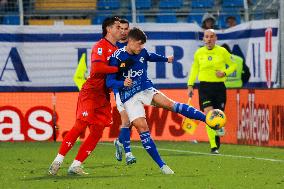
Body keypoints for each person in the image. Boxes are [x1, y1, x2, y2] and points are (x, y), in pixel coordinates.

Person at [106, 27, 215, 174]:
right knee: (142, 127)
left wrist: (166, 59)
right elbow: (109, 82)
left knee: (170, 104)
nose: (141, 48)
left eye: (142, 45)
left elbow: (150, 55)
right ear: (130, 42)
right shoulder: (117, 57)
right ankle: (162, 166)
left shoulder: (142, 52)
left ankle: (207, 119)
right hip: (129, 97)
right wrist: (121, 83)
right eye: (139, 44)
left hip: (144, 87)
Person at [48, 16, 130, 175]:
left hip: (104, 95)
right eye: (118, 27)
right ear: (109, 29)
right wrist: (119, 69)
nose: (121, 30)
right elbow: (98, 67)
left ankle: (76, 165)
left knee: (98, 132)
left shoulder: (119, 51)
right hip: (91, 92)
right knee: (80, 126)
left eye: (122, 28)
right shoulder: (100, 46)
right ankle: (57, 161)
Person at [187, 29, 237, 154]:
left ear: (215, 38)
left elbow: (233, 65)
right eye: (206, 37)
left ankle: (217, 134)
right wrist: (190, 85)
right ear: (203, 39)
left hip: (219, 87)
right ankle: (213, 146)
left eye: (211, 37)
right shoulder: (199, 53)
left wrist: (224, 72)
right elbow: (194, 69)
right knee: (209, 115)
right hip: (205, 88)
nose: (209, 39)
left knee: (218, 116)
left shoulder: (222, 51)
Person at [112, 18, 137, 165]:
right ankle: (128, 154)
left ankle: (119, 142)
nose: (123, 31)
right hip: (120, 89)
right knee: (126, 120)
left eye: (125, 29)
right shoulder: (114, 48)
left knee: (132, 121)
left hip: (134, 89)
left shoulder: (133, 46)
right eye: (120, 28)